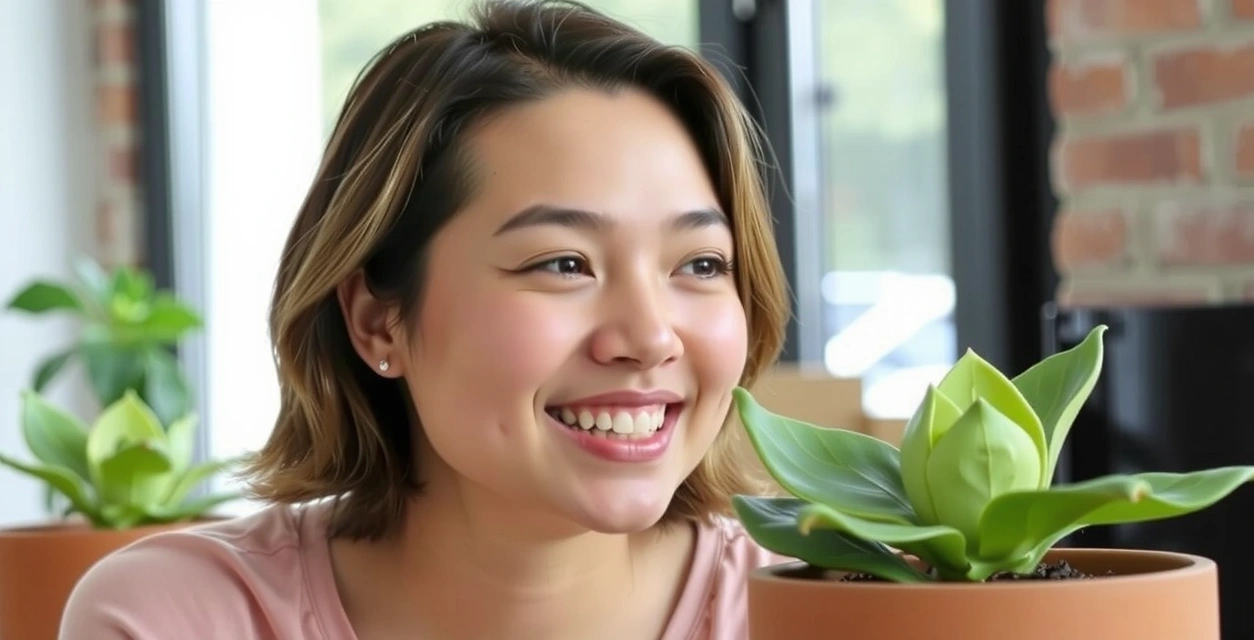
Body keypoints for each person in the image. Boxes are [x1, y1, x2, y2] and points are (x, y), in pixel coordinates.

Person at [60, 0, 793, 637]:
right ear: (379, 322)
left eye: (699, 264)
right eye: (564, 264)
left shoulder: (829, 613)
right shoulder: (174, 619)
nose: (650, 337)